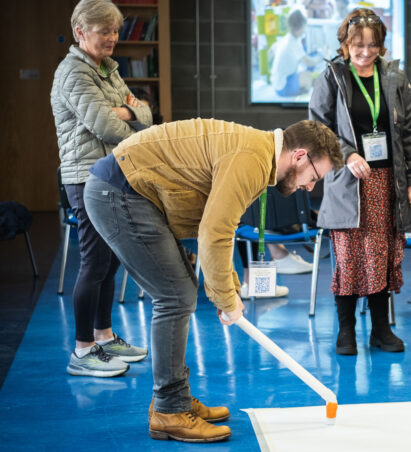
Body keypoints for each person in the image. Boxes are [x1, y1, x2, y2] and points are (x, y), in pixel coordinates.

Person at [82, 118, 342, 442]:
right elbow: (214, 233)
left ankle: (172, 400)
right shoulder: (252, 158)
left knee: (181, 293)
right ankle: (170, 410)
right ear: (300, 156)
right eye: (314, 177)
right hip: (121, 192)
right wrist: (227, 298)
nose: (310, 187)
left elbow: (221, 226)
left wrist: (228, 290)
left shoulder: (259, 155)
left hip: (132, 192)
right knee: (176, 297)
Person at [309, 8, 411, 356]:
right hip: (348, 183)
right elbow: (318, 129)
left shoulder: (394, 78)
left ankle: (381, 330)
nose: (366, 51)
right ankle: (346, 332)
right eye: (358, 44)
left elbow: (410, 134)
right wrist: (347, 154)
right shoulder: (331, 76)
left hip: (388, 181)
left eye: (373, 45)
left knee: (381, 257)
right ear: (345, 43)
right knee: (348, 258)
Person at [51, 0, 152, 378]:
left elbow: (145, 111)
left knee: (109, 261)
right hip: (85, 176)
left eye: (115, 31)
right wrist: (127, 113)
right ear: (80, 32)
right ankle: (81, 350)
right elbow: (105, 128)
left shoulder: (108, 69)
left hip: (109, 173)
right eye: (103, 31)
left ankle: (104, 337)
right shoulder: (73, 73)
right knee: (94, 261)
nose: (112, 38)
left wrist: (128, 111)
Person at [270, 9, 319, 97]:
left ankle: (301, 89)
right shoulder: (292, 43)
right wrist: (321, 58)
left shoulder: (288, 38)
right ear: (299, 27)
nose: (304, 30)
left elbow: (271, 50)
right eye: (304, 27)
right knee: (309, 78)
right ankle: (302, 93)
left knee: (308, 74)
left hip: (280, 81)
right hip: (283, 86)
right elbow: (308, 62)